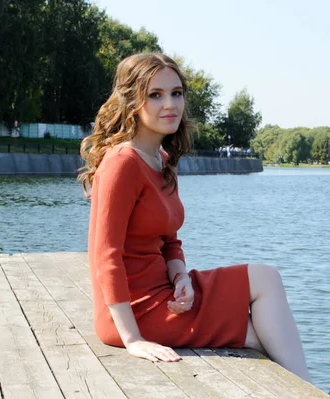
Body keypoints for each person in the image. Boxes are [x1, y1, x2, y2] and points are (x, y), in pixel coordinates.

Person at [78, 53, 310, 381]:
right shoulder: (122, 163)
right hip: (133, 313)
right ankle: (309, 389)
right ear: (132, 101)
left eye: (176, 93)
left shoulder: (160, 159)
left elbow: (169, 241)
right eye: (155, 95)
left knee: (266, 281)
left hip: (167, 296)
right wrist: (133, 340)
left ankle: (306, 387)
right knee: (260, 334)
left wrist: (180, 278)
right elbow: (105, 257)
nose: (170, 104)